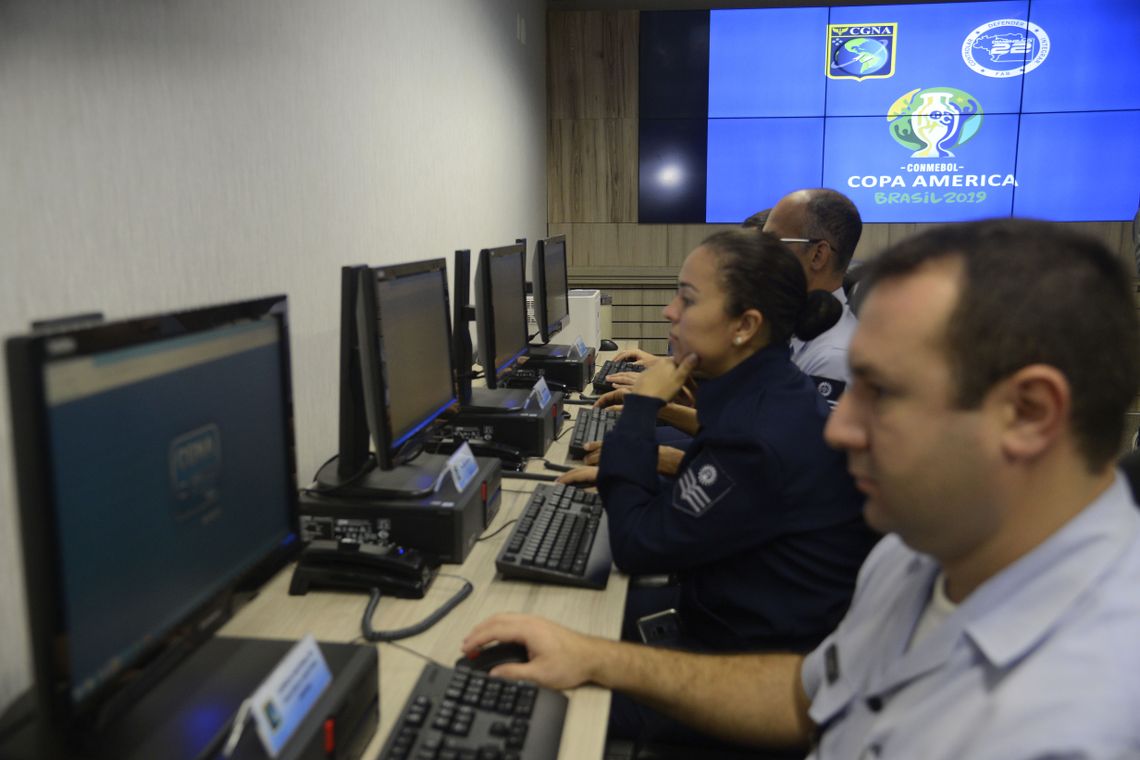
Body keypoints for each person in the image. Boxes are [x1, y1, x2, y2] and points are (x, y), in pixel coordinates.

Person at [464, 218, 1140, 757]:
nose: (839, 427)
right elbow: (808, 695)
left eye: (881, 392)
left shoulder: (1077, 721)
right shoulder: (917, 556)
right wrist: (594, 658)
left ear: (1029, 414)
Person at [564, 230, 877, 743]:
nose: (668, 311)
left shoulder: (757, 435)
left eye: (687, 299)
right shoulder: (769, 389)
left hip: (742, 672)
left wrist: (642, 408)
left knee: (528, 684)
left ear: (745, 326)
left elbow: (638, 545)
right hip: (734, 623)